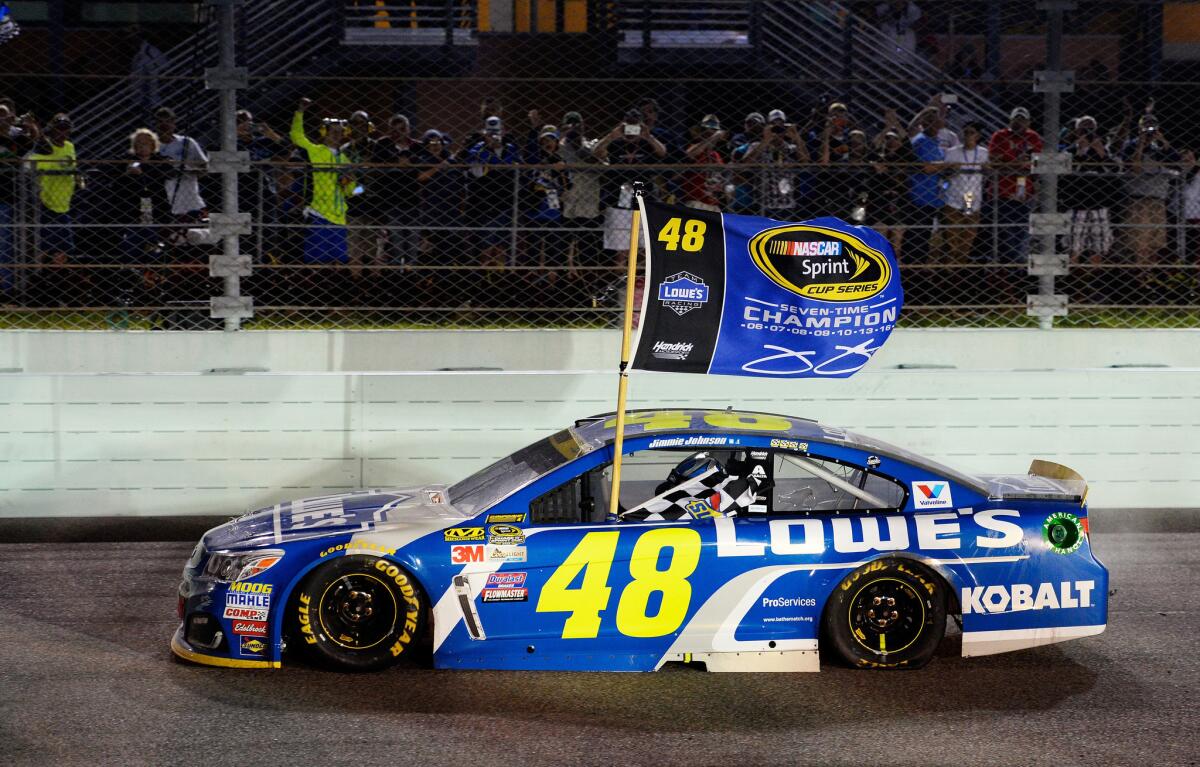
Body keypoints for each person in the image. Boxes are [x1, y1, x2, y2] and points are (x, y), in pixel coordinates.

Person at [594, 107, 666, 257]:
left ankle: (643, 278)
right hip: (619, 190)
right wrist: (612, 136)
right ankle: (623, 276)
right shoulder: (616, 143)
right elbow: (596, 152)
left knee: (645, 244)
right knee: (621, 246)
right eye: (629, 125)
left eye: (635, 125)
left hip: (642, 188)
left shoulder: (647, 143)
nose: (632, 130)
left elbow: (662, 152)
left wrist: (648, 136)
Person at [289, 98, 354, 265]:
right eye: (333, 131)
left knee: (339, 261)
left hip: (339, 217)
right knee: (315, 260)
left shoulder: (345, 159)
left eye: (339, 132)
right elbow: (297, 136)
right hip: (318, 212)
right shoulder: (316, 151)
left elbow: (355, 192)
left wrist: (350, 184)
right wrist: (300, 112)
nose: (336, 135)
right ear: (324, 132)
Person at [26, 113, 80, 304]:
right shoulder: (44, 148)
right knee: (45, 248)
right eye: (59, 128)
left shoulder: (69, 147)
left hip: (64, 203)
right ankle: (40, 287)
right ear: (52, 129)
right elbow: (33, 164)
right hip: (46, 203)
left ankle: (57, 286)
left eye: (66, 129)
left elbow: (73, 168)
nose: (63, 133)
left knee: (63, 250)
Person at [1120, 114, 1180, 268]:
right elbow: (1134, 167)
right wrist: (1141, 144)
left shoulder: (1158, 147)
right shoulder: (1131, 145)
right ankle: (1139, 275)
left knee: (1156, 243)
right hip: (1138, 199)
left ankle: (1149, 275)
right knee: (1140, 242)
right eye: (1146, 125)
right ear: (1139, 127)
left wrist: (1162, 140)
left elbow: (1177, 161)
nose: (1149, 128)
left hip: (1158, 199)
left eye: (1153, 125)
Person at [988, 106, 1043, 265]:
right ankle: (1008, 265)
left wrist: (1010, 165)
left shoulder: (1033, 137)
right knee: (1005, 232)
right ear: (1010, 120)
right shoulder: (1000, 135)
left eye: (1022, 120)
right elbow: (995, 162)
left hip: (1026, 190)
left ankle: (1018, 267)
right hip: (1003, 190)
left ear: (1028, 122)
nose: (1019, 123)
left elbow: (1036, 163)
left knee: (1023, 231)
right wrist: (1019, 164)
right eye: (1016, 119)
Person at [732, 110, 809, 221]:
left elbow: (805, 161)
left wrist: (796, 136)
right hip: (763, 205)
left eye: (781, 127)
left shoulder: (790, 148)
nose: (777, 131)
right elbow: (745, 164)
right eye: (774, 126)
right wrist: (766, 139)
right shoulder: (758, 146)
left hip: (787, 204)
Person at [1060, 115, 1115, 266]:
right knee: (1074, 246)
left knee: (1099, 247)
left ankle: (1094, 281)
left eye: (1091, 128)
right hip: (1077, 204)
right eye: (1084, 128)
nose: (1088, 131)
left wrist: (1101, 153)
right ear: (1077, 131)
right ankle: (1073, 279)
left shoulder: (1103, 148)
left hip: (1099, 203)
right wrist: (1079, 152)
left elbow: (1115, 170)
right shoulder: (1069, 151)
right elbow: (1062, 173)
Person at [930, 121, 988, 264]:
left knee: (967, 241)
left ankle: (959, 272)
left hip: (974, 200)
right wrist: (951, 169)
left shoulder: (983, 153)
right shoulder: (952, 152)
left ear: (978, 135)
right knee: (951, 241)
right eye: (965, 132)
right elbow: (944, 174)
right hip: (953, 199)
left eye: (971, 132)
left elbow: (987, 173)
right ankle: (948, 270)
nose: (967, 135)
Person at [556, 111, 603, 283]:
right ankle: (564, 284)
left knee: (587, 248)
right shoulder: (559, 146)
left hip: (589, 203)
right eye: (570, 124)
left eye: (577, 124)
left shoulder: (592, 145)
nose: (574, 128)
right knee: (563, 247)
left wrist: (575, 144)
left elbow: (597, 162)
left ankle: (589, 285)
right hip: (567, 203)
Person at [867, 129, 918, 259]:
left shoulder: (904, 157)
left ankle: (895, 265)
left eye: (894, 139)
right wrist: (885, 130)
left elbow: (902, 181)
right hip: (880, 201)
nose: (891, 142)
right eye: (888, 139)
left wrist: (886, 171)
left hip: (899, 201)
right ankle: (880, 266)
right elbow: (871, 148)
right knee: (880, 235)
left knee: (897, 236)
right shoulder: (877, 157)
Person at [0, 105, 33, 300]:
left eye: (5, 115)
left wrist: (29, 127)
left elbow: (34, 145)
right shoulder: (9, 138)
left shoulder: (15, 140)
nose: (3, 119)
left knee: (6, 244)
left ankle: (7, 287)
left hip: (7, 198)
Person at [154, 107, 208, 224]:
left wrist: (183, 169)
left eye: (168, 121)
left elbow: (205, 167)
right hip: (160, 201)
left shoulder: (187, 142)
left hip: (190, 201)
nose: (164, 125)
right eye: (160, 122)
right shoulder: (150, 145)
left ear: (174, 123)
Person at [907, 111, 946, 262]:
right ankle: (913, 269)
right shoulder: (920, 141)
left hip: (933, 195)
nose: (937, 126)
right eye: (933, 122)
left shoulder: (935, 141)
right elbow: (926, 167)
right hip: (919, 195)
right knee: (917, 236)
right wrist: (946, 165)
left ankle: (921, 266)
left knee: (927, 234)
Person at [681, 114, 728, 212]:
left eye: (713, 132)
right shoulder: (695, 148)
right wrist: (713, 137)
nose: (710, 135)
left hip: (713, 203)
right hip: (696, 201)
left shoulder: (716, 155)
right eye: (706, 132)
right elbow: (690, 154)